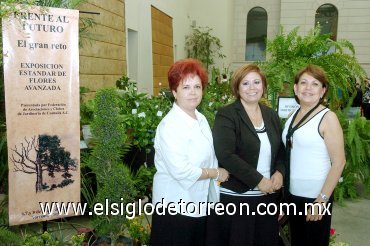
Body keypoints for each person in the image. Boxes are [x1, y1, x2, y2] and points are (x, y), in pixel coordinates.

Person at [150, 58, 229, 246]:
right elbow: (181, 171)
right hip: (175, 207)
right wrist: (216, 173)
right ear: (174, 92)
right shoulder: (170, 126)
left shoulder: (200, 119)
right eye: (186, 87)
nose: (193, 92)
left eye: (197, 86)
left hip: (199, 203)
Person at [206, 64, 285, 246]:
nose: (252, 88)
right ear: (237, 88)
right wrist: (259, 180)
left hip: (267, 199)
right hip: (237, 199)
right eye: (245, 83)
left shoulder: (271, 115)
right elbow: (226, 155)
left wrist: (280, 172)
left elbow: (280, 151)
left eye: (256, 82)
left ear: (263, 86)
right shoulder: (227, 114)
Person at [282, 65, 346, 246]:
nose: (308, 88)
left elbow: (339, 162)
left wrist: (322, 200)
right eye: (303, 83)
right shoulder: (293, 115)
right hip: (293, 195)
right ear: (295, 88)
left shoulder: (328, 118)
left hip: (315, 196)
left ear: (323, 91)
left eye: (315, 84)